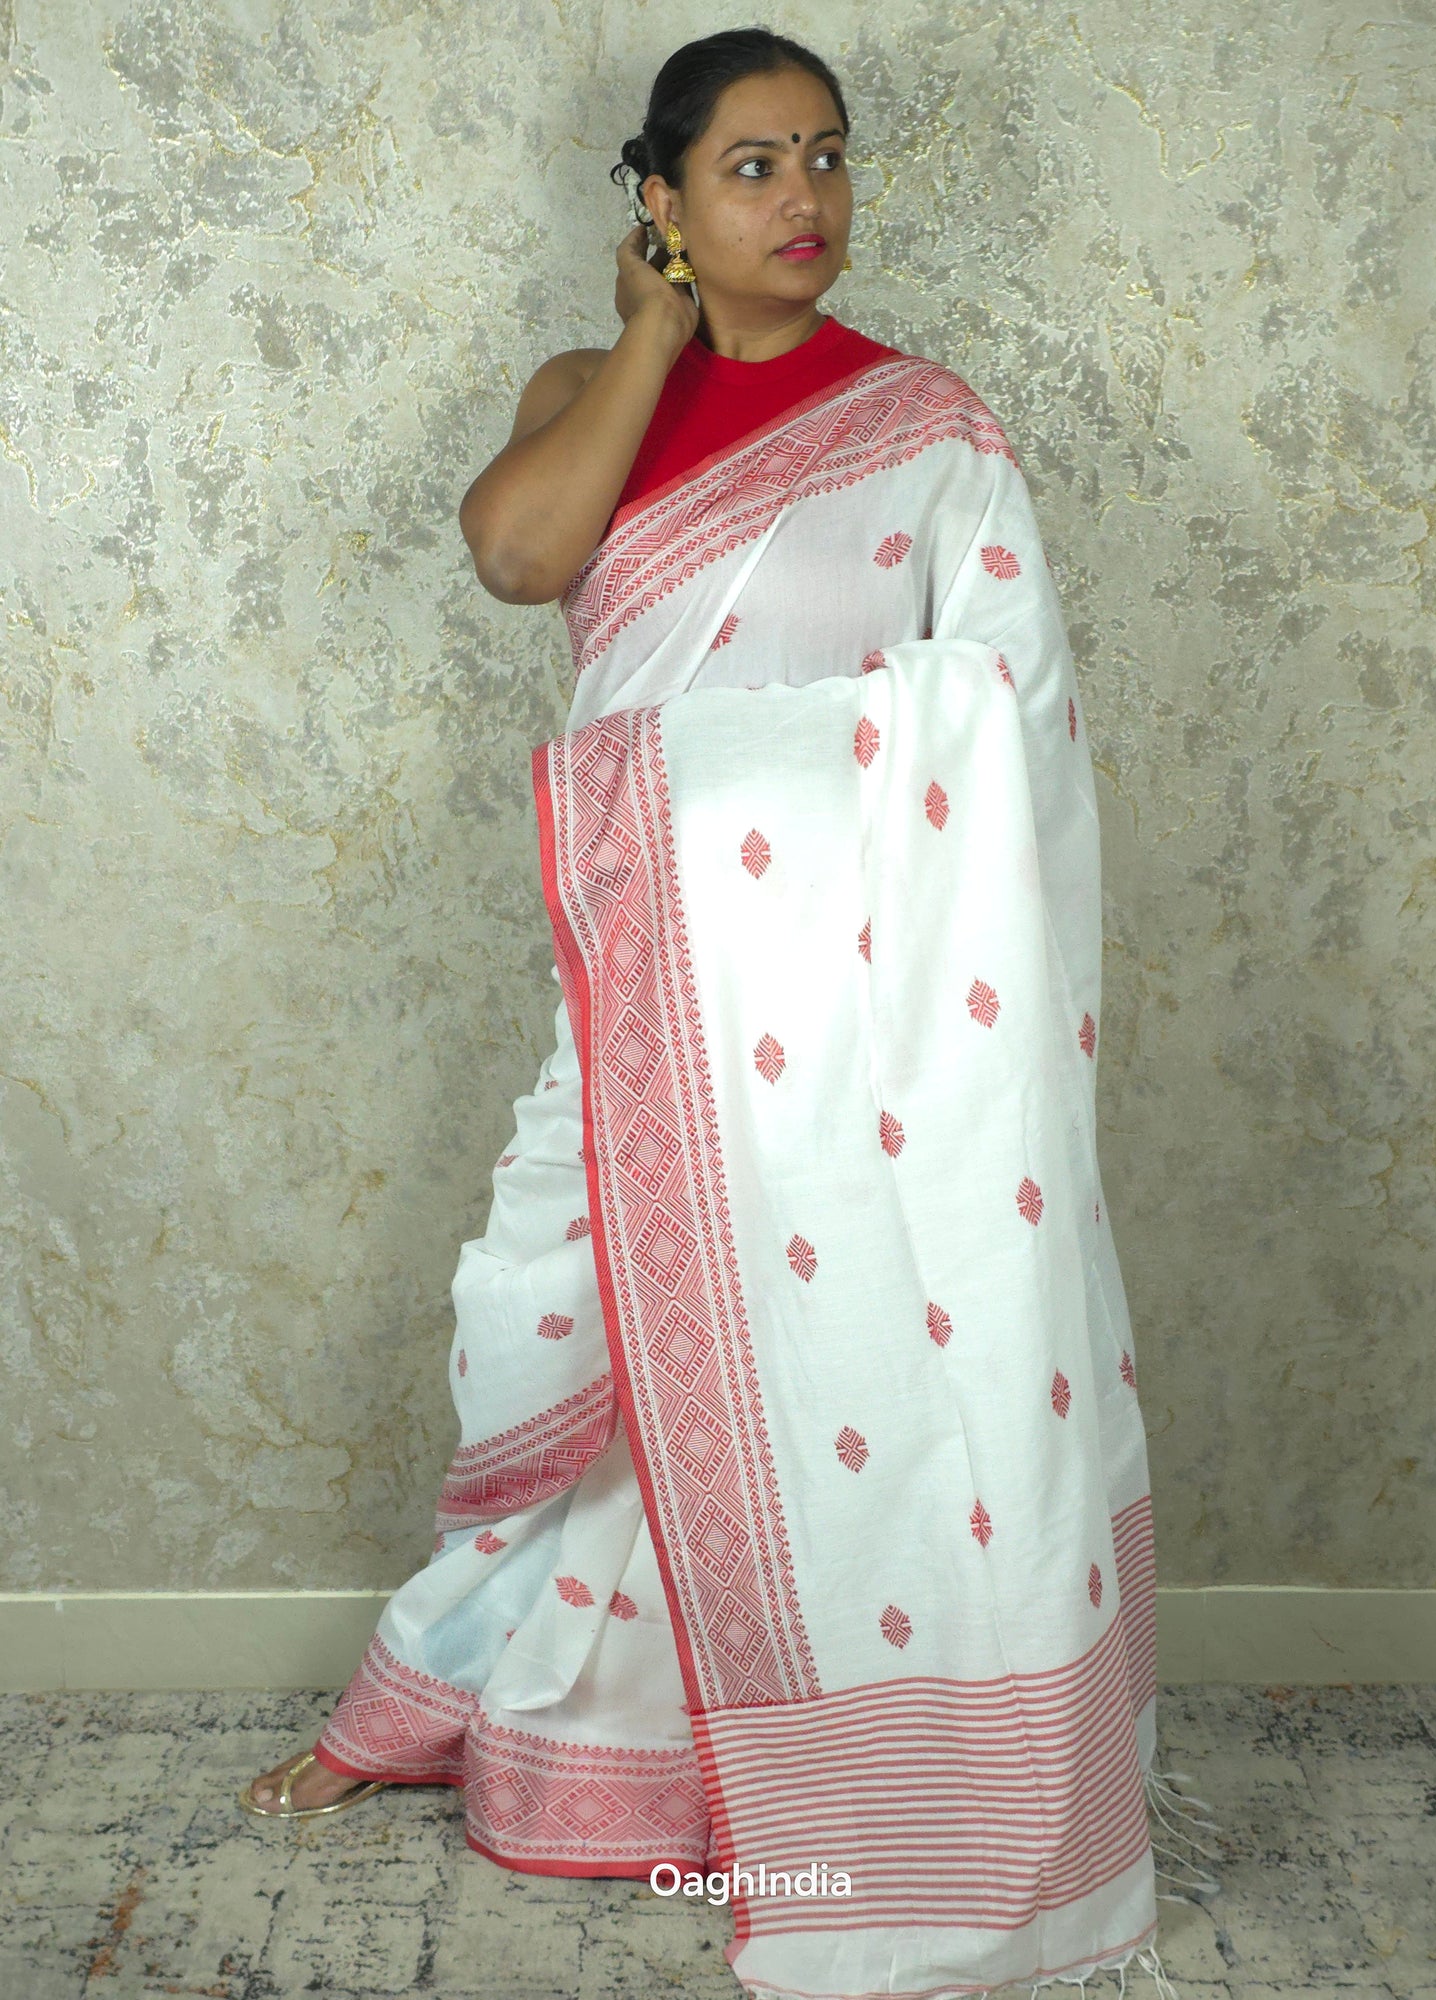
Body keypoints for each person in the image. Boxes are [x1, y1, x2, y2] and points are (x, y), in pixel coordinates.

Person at [240, 27, 1218, 1999]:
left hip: (867, 1037)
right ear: (663, 206)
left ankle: (860, 1793)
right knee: (540, 1339)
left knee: (852, 1372)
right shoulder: (588, 399)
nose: (807, 201)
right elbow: (523, 556)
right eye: (754, 167)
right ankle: (443, 1704)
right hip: (638, 999)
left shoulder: (928, 430)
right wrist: (643, 349)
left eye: (827, 160)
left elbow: (1002, 736)